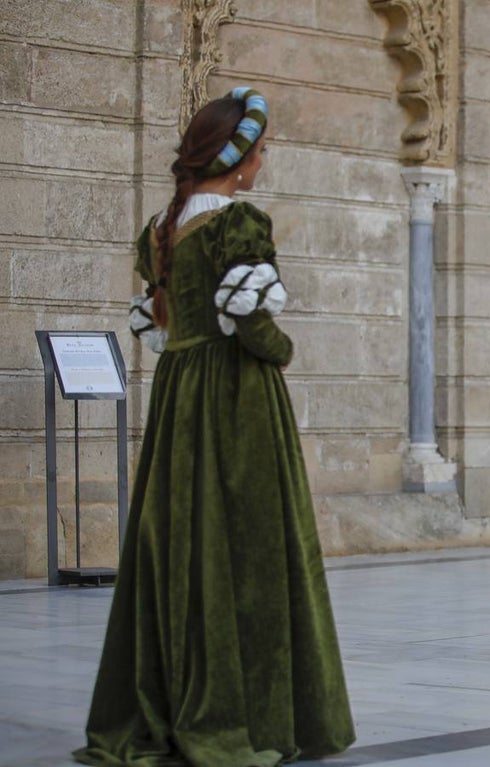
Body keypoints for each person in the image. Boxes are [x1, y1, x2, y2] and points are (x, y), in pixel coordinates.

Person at [74, 88, 356, 766]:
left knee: (182, 545)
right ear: (238, 158)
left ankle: (170, 701)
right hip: (238, 400)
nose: (265, 160)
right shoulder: (238, 223)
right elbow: (254, 328)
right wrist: (283, 350)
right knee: (252, 548)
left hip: (179, 399)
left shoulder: (161, 230)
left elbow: (162, 325)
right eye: (261, 149)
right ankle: (245, 712)